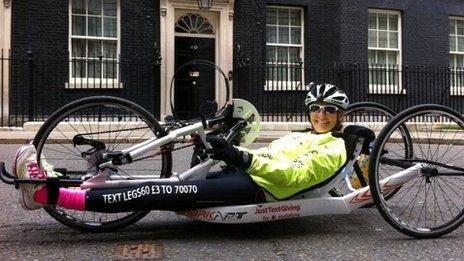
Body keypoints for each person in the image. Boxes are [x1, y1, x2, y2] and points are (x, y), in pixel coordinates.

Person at [13, 83, 351, 212]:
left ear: (339, 117)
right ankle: (62, 180)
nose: (321, 115)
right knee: (167, 183)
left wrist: (240, 157)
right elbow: (268, 156)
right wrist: (227, 151)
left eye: (329, 111)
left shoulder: (333, 148)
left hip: (261, 190)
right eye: (316, 109)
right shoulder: (299, 135)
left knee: (160, 192)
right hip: (245, 175)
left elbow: (291, 175)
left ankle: (46, 194)